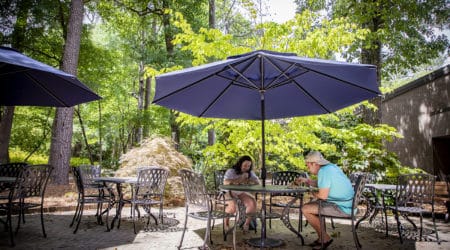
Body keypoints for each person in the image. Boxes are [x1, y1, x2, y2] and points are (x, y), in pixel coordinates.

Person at [294, 151, 354, 250]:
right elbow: (322, 184)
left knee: (305, 208)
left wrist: (311, 192)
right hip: (347, 204)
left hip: (343, 207)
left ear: (315, 163)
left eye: (308, 165)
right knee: (313, 205)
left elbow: (322, 196)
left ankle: (325, 238)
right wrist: (307, 181)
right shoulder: (330, 168)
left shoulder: (323, 171)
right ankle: (322, 238)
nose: (307, 168)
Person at [223, 155, 260, 232]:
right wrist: (241, 178)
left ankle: (246, 224)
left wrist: (250, 180)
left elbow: (257, 182)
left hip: (241, 192)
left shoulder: (250, 172)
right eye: (245, 165)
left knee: (252, 202)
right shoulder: (231, 171)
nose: (246, 167)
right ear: (240, 164)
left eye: (249, 166)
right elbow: (225, 182)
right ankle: (226, 224)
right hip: (229, 191)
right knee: (233, 205)